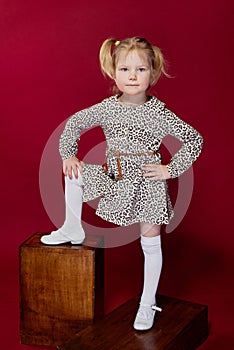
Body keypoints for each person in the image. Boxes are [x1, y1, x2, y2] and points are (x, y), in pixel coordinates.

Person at [41, 36, 203, 331]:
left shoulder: (159, 112)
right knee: (74, 174)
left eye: (140, 70)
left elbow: (194, 139)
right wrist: (69, 154)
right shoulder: (105, 108)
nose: (132, 76)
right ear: (113, 72)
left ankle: (147, 302)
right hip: (114, 174)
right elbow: (73, 125)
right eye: (125, 69)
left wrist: (171, 169)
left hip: (146, 183)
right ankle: (71, 226)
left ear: (153, 74)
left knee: (150, 243)